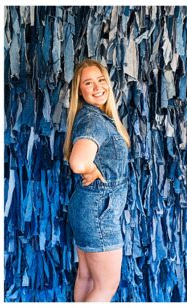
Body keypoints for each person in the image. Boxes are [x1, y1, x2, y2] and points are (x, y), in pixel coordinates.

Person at [63, 59, 131, 301]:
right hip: (98, 212)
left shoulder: (92, 117)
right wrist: (94, 169)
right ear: (79, 91)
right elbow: (78, 163)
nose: (97, 87)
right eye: (88, 83)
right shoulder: (94, 120)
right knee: (106, 286)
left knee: (87, 277)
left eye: (101, 80)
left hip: (89, 208)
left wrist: (97, 169)